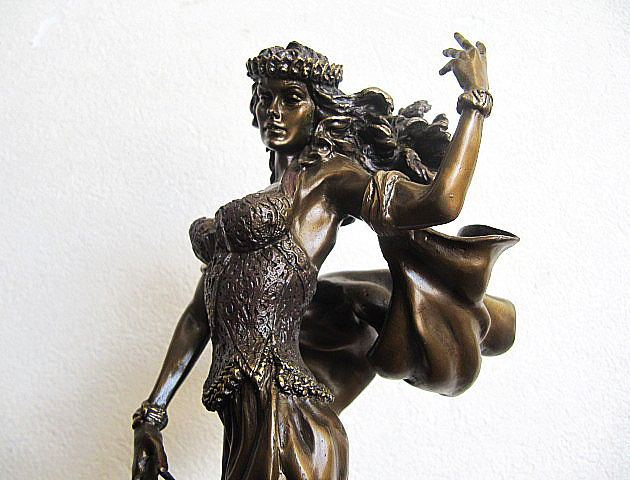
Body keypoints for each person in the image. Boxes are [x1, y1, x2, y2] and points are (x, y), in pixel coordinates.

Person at [132, 34, 517, 480]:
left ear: (318, 110)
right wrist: (152, 416)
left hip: (290, 422)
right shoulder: (255, 207)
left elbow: (440, 203)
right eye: (264, 98)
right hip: (246, 423)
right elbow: (200, 314)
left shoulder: (331, 181)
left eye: (291, 98)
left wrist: (475, 102)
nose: (274, 111)